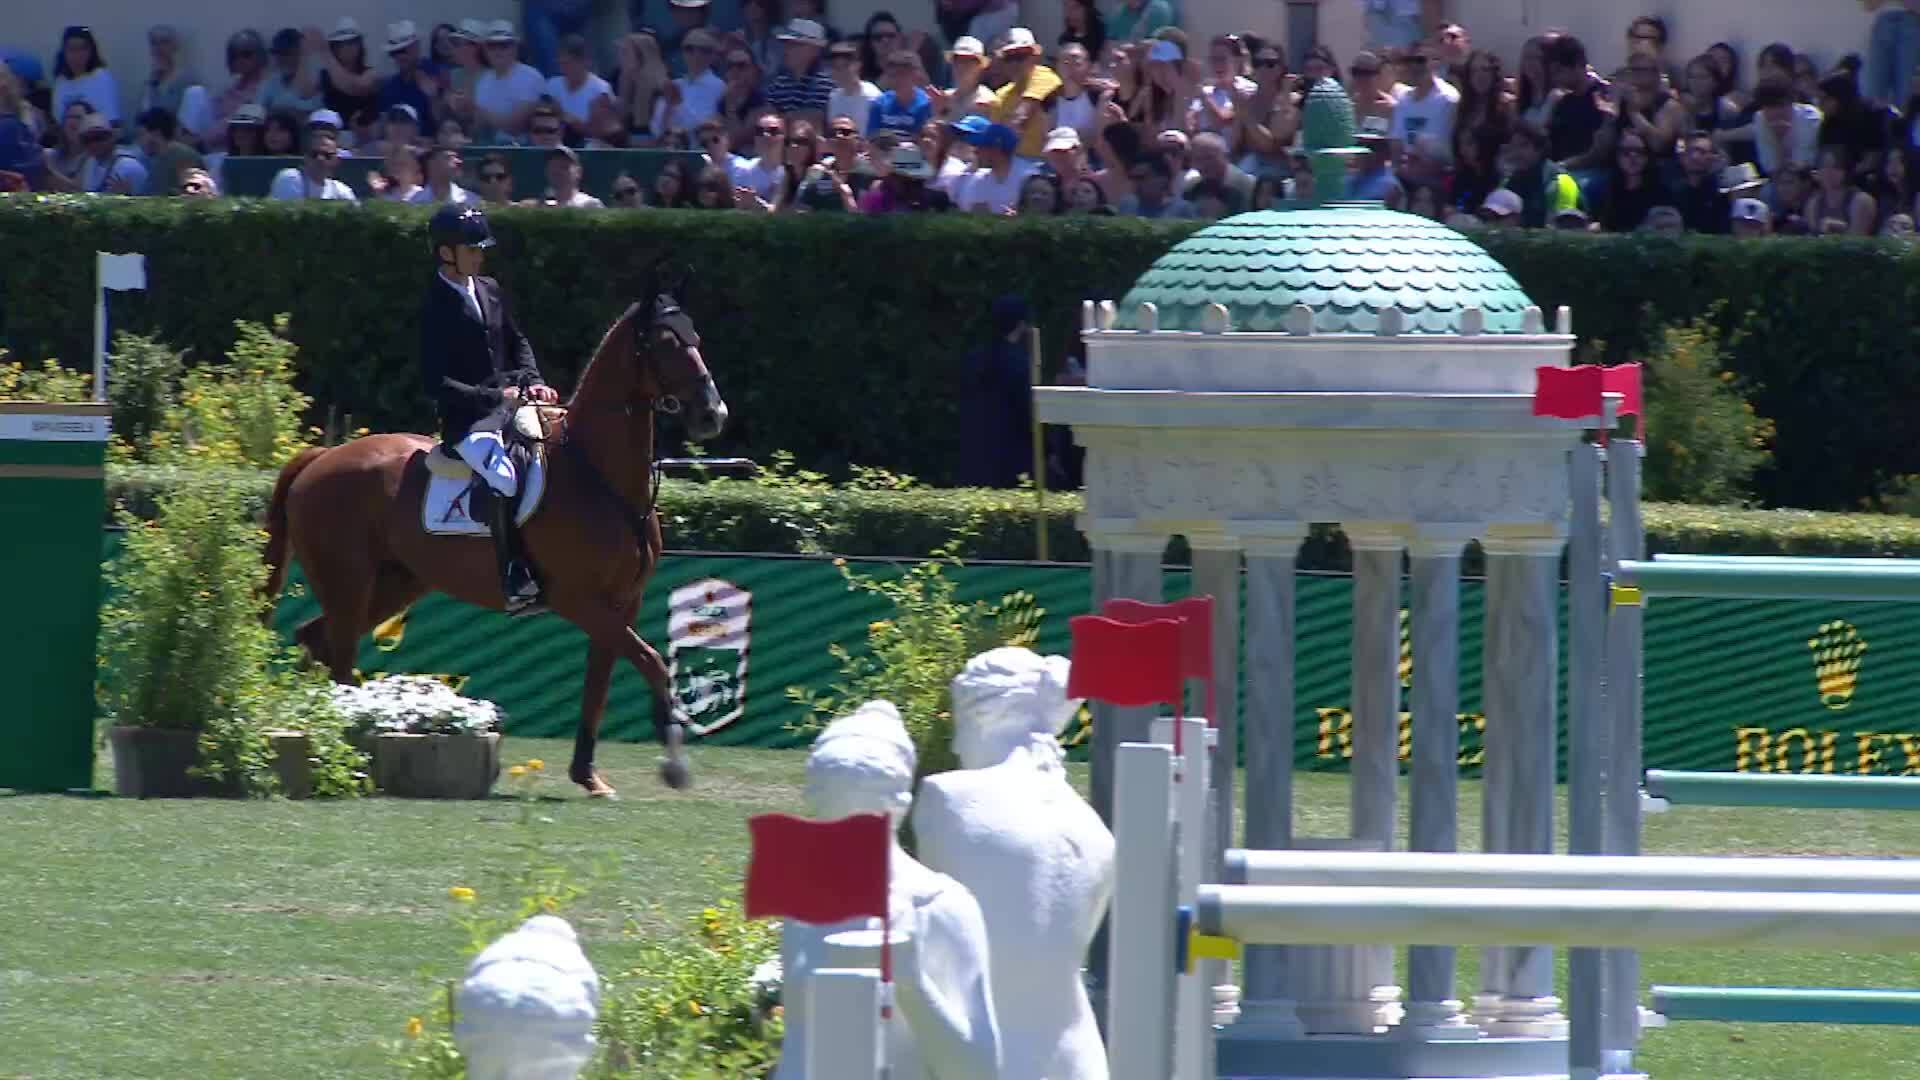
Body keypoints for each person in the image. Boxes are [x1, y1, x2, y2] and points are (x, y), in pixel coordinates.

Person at [419, 204, 557, 615]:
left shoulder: (490, 289)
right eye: (472, 250)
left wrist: (533, 379)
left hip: (511, 403)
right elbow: (437, 383)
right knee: (504, 478)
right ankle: (513, 573)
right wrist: (496, 398)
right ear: (446, 253)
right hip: (468, 421)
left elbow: (517, 341)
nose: (480, 256)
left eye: (481, 249)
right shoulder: (434, 305)